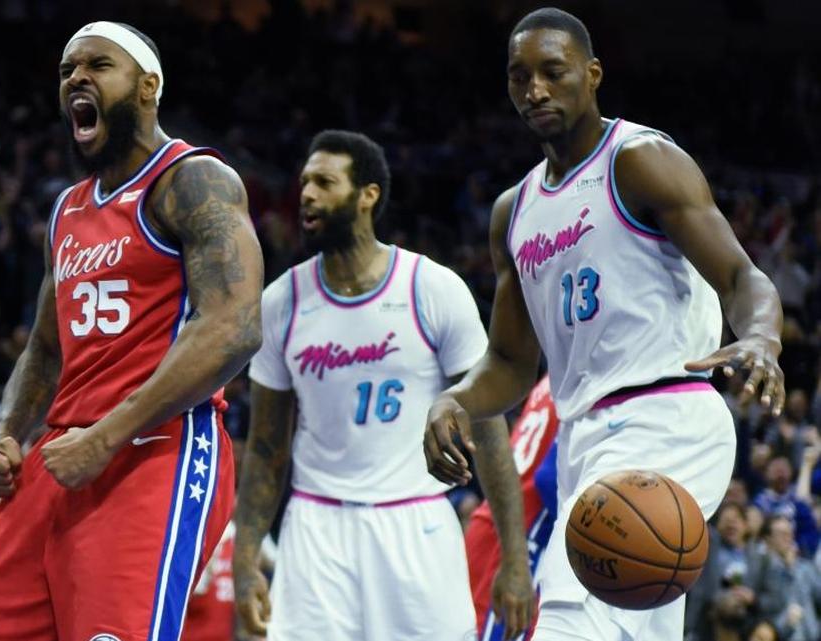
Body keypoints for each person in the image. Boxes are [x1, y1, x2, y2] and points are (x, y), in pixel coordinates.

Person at [424, 7, 785, 641]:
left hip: (665, 417)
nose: (534, 89)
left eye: (553, 72)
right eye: (519, 77)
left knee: (568, 617)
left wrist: (760, 335)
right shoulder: (513, 211)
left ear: (591, 75)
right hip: (584, 437)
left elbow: (740, 276)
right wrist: (454, 399)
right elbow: (510, 365)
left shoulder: (640, 160)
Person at [0, 21, 263, 641]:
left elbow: (234, 326)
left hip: (155, 447)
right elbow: (45, 348)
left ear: (148, 86)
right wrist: (9, 438)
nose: (76, 79)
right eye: (68, 70)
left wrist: (106, 436)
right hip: (62, 454)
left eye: (97, 65)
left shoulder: (192, 180)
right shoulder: (67, 208)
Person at [234, 130, 532, 641]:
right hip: (316, 528)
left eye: (325, 182)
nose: (306, 194)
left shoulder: (432, 289)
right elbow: (264, 447)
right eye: (304, 182)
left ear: (367, 195)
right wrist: (245, 559)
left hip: (414, 522)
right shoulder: (281, 301)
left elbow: (488, 431)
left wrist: (515, 558)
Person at [466, 375, 560, 641]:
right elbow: (549, 478)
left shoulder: (557, 373)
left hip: (495, 525)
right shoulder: (600, 376)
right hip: (519, 539)